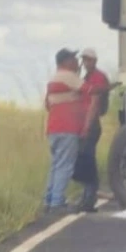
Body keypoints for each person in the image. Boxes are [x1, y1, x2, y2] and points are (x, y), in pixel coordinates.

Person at [44, 48, 86, 211]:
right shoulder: (69, 77)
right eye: (73, 59)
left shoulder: (53, 79)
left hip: (54, 128)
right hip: (67, 128)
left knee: (56, 164)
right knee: (65, 166)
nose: (77, 62)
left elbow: (47, 104)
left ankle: (49, 199)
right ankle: (57, 201)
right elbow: (89, 90)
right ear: (65, 62)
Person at [74, 49, 111, 213]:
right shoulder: (87, 78)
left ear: (94, 60)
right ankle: (87, 197)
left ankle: (89, 199)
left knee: (87, 160)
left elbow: (96, 103)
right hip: (85, 122)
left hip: (91, 123)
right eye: (84, 60)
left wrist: (87, 126)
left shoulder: (98, 77)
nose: (85, 63)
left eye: (88, 60)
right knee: (85, 160)